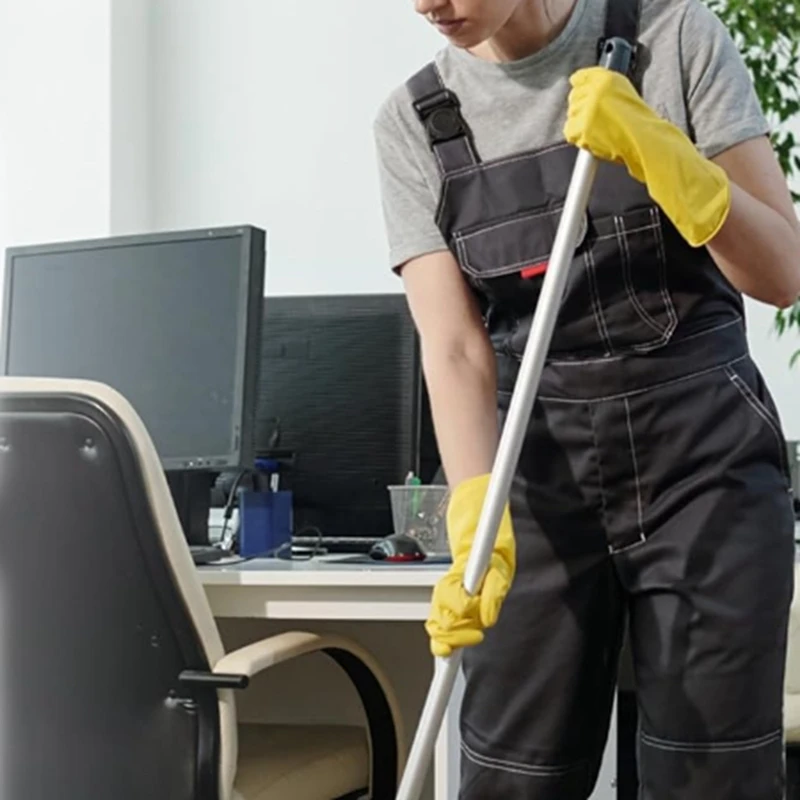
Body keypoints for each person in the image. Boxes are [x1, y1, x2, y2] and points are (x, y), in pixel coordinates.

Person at [373, 0, 800, 797]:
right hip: (535, 486)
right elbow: (457, 347)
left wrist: (672, 162)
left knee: (711, 778)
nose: (428, 2)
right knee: (515, 778)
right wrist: (476, 518)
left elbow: (782, 273)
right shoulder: (414, 119)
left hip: (705, 472)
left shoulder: (671, 39)